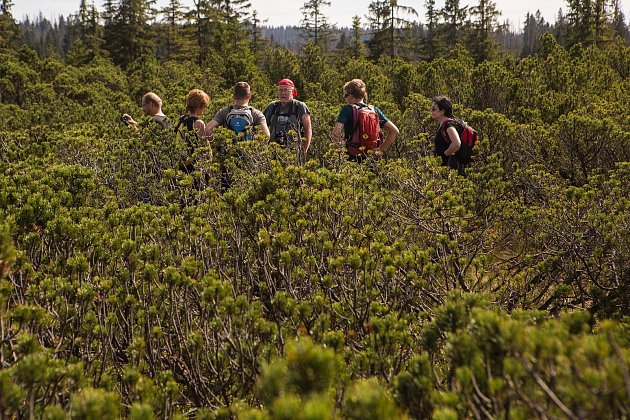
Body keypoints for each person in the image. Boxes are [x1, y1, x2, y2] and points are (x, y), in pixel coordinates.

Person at [331, 79, 399, 162]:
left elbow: (336, 132)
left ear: (351, 95)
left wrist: (338, 155)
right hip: (372, 159)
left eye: (346, 95)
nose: (346, 99)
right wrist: (379, 151)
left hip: (352, 157)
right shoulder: (374, 110)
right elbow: (394, 131)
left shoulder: (347, 109)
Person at [204, 82, 270, 141]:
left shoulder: (224, 112)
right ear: (249, 96)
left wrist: (218, 143)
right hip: (248, 153)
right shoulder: (256, 114)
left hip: (227, 153)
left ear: (234, 96)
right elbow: (266, 136)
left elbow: (207, 129)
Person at [263, 79, 312, 152]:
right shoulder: (272, 106)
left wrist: (304, 150)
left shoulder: (300, 106)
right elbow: (262, 127)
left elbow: (308, 130)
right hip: (272, 149)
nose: (283, 93)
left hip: (293, 151)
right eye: (280, 90)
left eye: (286, 90)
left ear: (293, 91)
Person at [430, 95, 464, 175]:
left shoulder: (448, 125)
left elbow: (456, 143)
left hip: (450, 168)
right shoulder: (442, 125)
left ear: (442, 111)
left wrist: (444, 154)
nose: (432, 111)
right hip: (445, 167)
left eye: (434, 109)